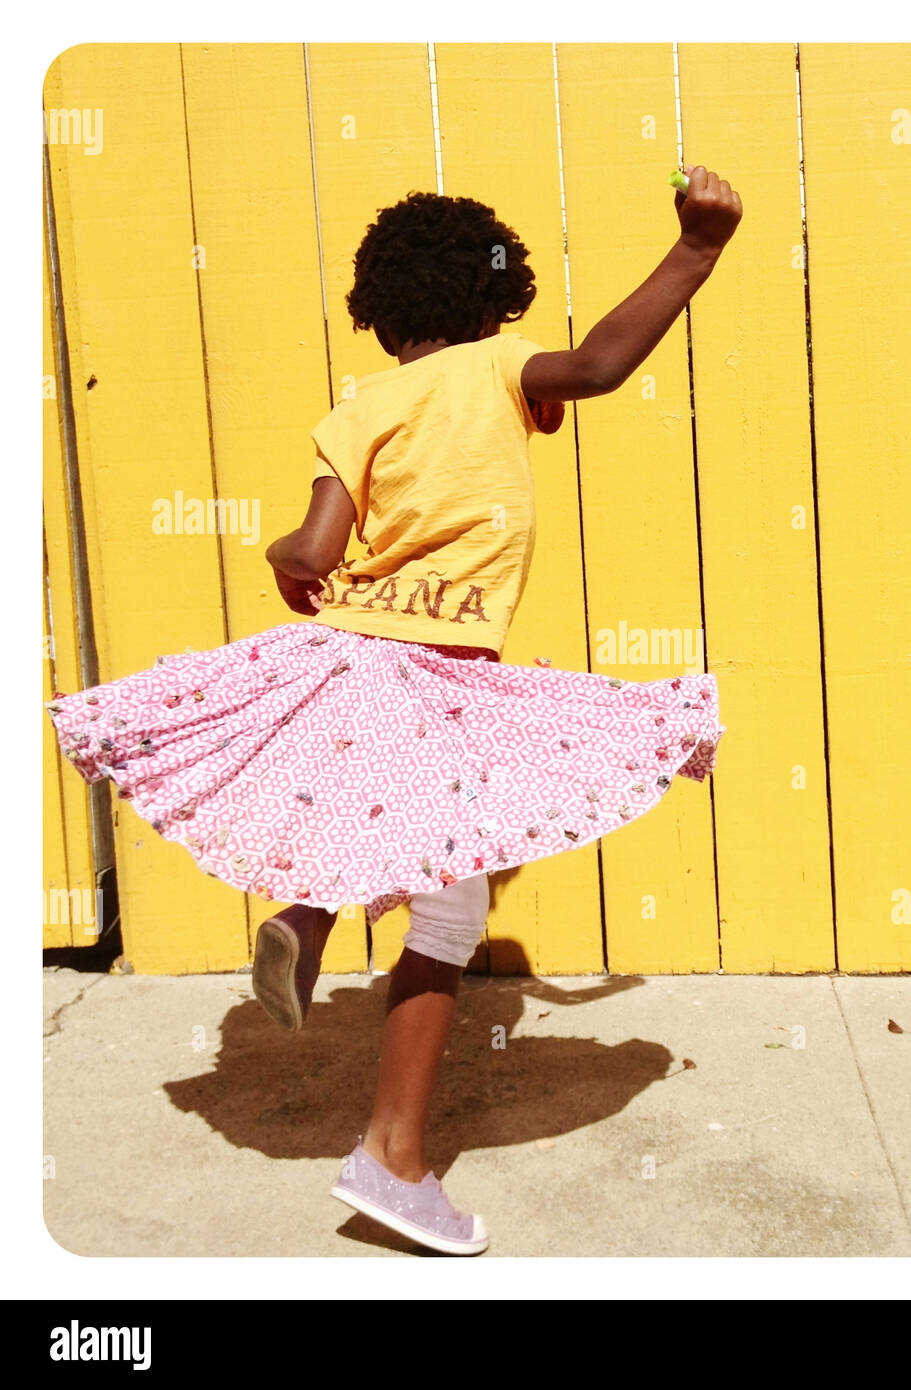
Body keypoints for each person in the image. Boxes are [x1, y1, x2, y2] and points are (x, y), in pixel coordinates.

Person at [46, 164, 742, 1256]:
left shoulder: (357, 408)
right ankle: (394, 1158)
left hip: (346, 654)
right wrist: (696, 248)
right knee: (452, 912)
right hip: (440, 672)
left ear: (381, 308)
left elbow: (315, 553)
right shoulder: (501, 367)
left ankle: (303, 918)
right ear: (488, 301)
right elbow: (602, 364)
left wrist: (285, 553)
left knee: (357, 812)